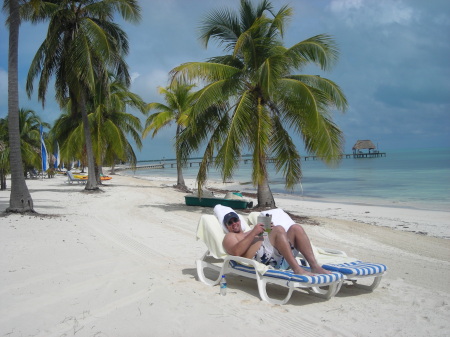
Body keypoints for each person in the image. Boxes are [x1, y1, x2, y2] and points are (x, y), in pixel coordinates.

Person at [221, 211, 331, 276]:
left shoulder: (249, 231)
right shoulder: (229, 237)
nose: (234, 223)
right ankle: (297, 269)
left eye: (235, 220)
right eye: (230, 223)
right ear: (226, 226)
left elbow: (262, 238)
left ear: (239, 221)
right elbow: (236, 252)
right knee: (278, 229)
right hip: (262, 260)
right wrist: (255, 232)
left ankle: (314, 266)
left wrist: (266, 230)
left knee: (296, 228)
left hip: (279, 258)